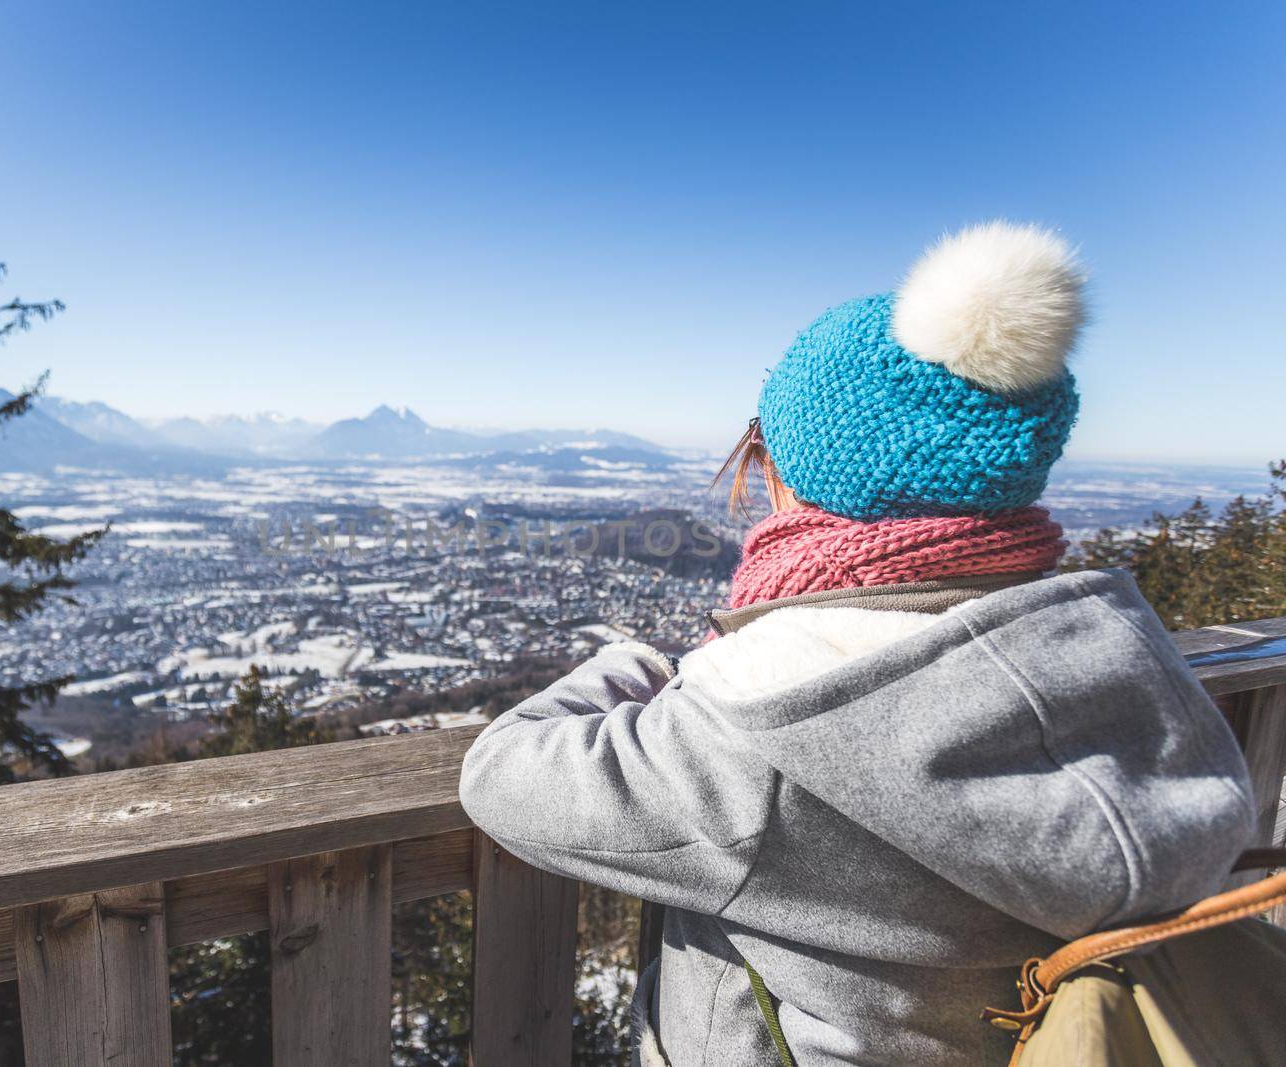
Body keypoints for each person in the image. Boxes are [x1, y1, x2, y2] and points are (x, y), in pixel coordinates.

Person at [458, 222, 1256, 1067]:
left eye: (763, 453)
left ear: (799, 475)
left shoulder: (768, 736)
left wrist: (649, 665)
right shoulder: (1132, 678)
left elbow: (502, 772)